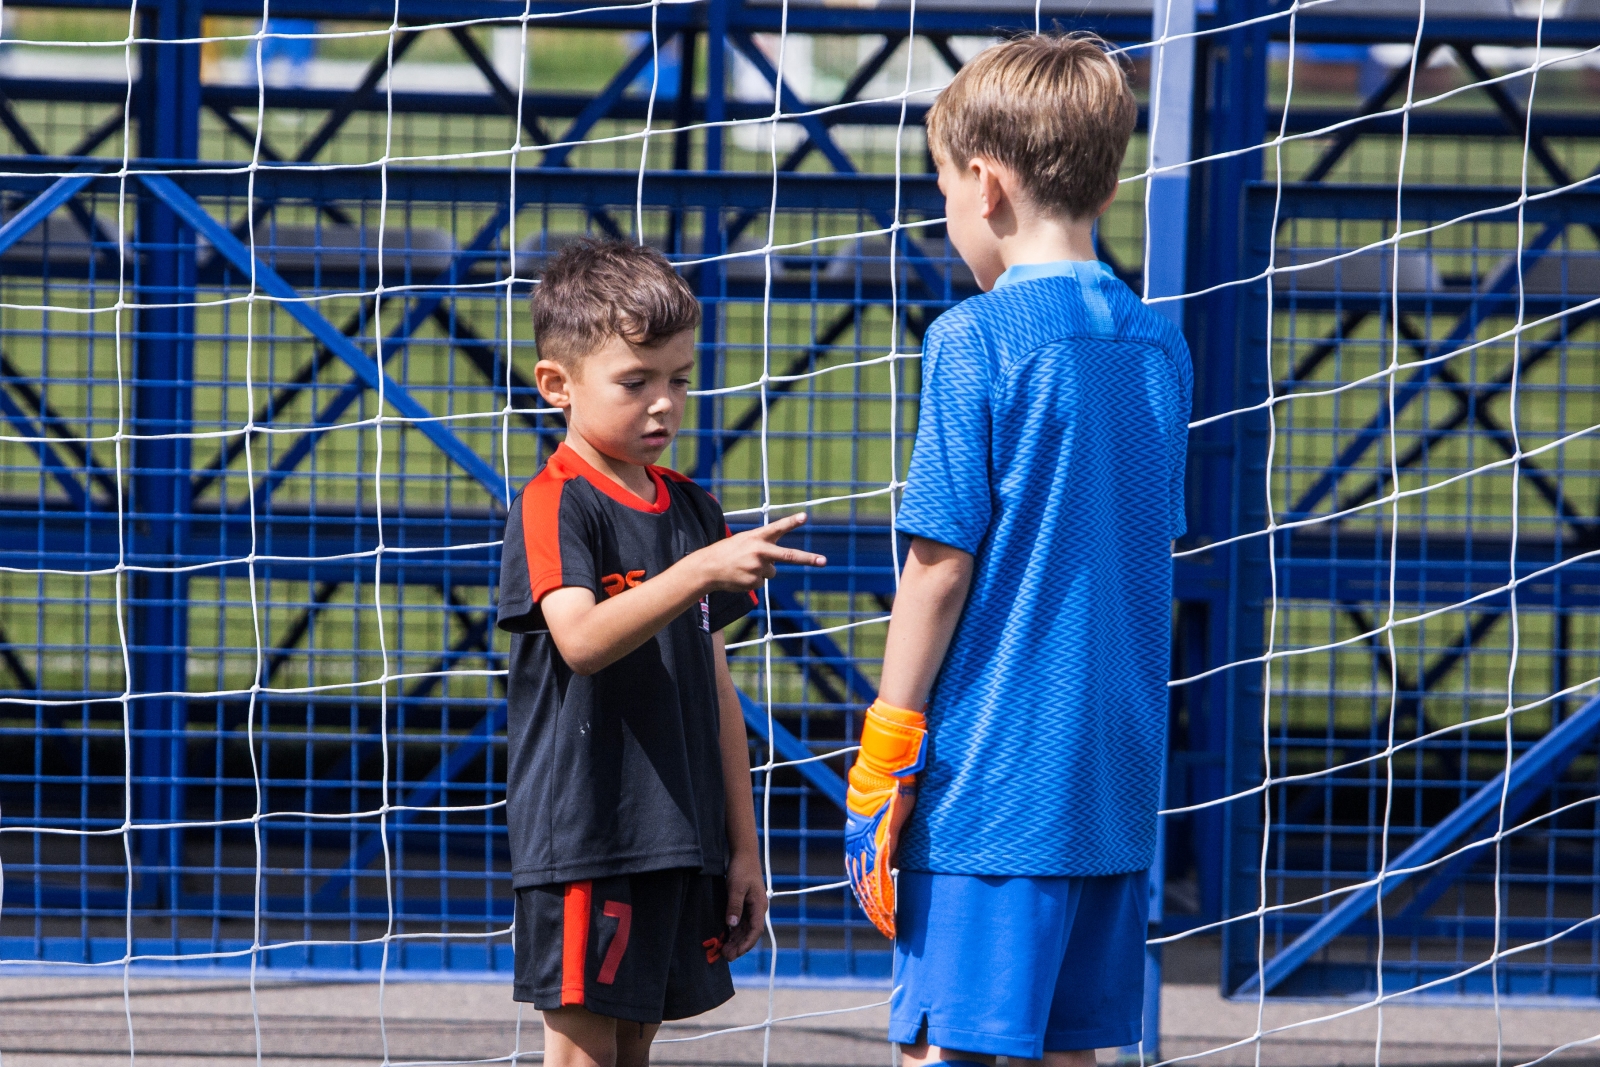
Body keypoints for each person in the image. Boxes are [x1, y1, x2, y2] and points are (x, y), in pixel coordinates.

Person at [843, 33, 1193, 1065]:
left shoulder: (974, 336)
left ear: (985, 186)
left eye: (941, 187)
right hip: (1114, 782)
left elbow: (939, 562)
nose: (944, 212)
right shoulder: (1157, 341)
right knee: (1066, 1046)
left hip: (989, 782)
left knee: (943, 1046)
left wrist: (885, 743)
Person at [496, 240, 826, 1067]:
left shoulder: (693, 508)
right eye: (635, 382)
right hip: (585, 838)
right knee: (583, 1056)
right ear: (556, 385)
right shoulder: (556, 503)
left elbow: (715, 688)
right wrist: (699, 571)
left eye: (679, 379)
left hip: (679, 838)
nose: (664, 404)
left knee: (636, 1052)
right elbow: (581, 640)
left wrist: (742, 849)